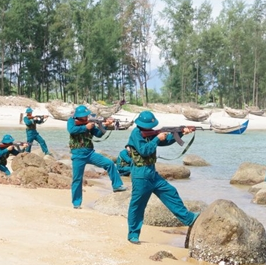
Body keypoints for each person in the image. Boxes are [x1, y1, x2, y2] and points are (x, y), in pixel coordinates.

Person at [124, 111, 199, 245]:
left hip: (152, 173)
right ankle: (133, 234)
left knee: (170, 192)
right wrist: (157, 138)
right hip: (140, 175)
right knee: (138, 206)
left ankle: (188, 218)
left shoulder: (150, 132)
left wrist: (181, 133)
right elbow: (145, 150)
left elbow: (166, 141)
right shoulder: (136, 134)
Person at [67, 105, 126, 209]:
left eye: (86, 115)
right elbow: (71, 130)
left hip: (90, 153)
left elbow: (98, 134)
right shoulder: (71, 121)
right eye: (84, 116)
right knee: (77, 179)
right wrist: (85, 127)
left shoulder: (90, 122)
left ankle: (117, 185)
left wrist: (106, 126)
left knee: (109, 163)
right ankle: (76, 203)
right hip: (77, 154)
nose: (86, 117)